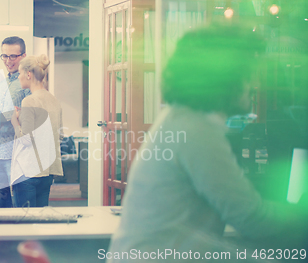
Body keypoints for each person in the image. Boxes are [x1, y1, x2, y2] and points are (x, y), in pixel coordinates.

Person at [108, 24, 308, 262]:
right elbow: (250, 218)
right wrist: (300, 213)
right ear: (224, 79)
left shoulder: (181, 119)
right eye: (245, 74)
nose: (253, 83)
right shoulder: (196, 130)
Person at [10, 54, 63, 207]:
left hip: (27, 172)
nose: (18, 77)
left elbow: (25, 140)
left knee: (24, 223)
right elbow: (59, 135)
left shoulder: (29, 101)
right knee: (39, 221)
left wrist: (15, 121)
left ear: (28, 74)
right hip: (46, 173)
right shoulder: (54, 100)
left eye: (19, 73)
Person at [0, 36, 31, 208]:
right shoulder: (2, 83)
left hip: (16, 154)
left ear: (23, 56)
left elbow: (31, 117)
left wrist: (8, 119)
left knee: (19, 207)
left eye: (13, 56)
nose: (8, 61)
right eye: (5, 56)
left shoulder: (28, 82)